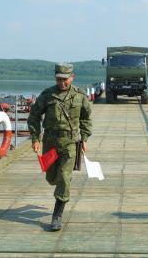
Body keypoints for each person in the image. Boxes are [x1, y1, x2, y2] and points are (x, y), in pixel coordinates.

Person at [27, 63, 92, 231]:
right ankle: (62, 186)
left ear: (72, 77)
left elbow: (86, 118)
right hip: (50, 142)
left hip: (70, 143)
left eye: (65, 79)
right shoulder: (48, 95)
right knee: (51, 178)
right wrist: (35, 138)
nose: (61, 83)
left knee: (64, 176)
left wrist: (84, 138)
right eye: (58, 79)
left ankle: (57, 215)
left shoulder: (79, 96)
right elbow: (34, 116)